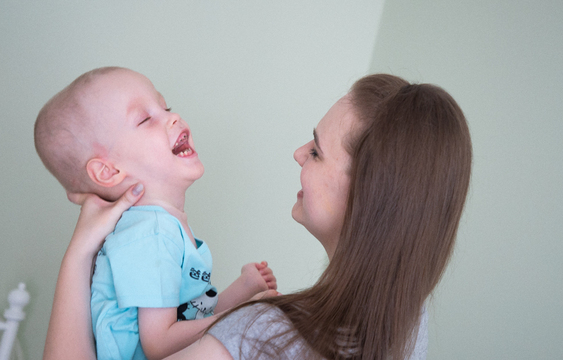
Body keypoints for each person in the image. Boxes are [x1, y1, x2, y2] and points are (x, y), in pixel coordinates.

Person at [43, 73, 472, 360]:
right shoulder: (406, 321)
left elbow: (170, 334)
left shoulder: (264, 331)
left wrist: (78, 253)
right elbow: (183, 321)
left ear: (368, 193)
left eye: (317, 151)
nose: (299, 153)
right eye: (145, 119)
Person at [35, 67, 277, 360]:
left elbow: (189, 318)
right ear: (108, 171)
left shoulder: (161, 228)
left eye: (166, 107)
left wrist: (243, 290)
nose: (173, 117)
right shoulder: (150, 234)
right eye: (145, 119)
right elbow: (161, 344)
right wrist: (247, 313)